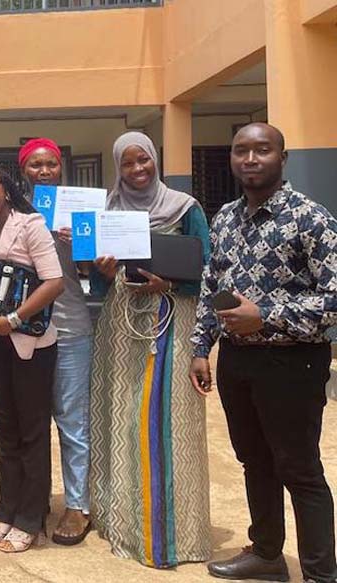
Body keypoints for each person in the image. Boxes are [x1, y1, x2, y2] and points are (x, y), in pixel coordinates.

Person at [193, 123, 337, 583]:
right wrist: (201, 345)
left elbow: (333, 299)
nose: (250, 159)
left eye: (262, 150)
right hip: (238, 361)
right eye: (241, 150)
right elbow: (211, 285)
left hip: (293, 362)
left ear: (282, 157)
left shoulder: (310, 218)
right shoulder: (226, 217)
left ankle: (319, 571)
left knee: (299, 468)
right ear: (232, 158)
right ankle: (268, 555)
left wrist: (267, 315)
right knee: (254, 460)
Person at [89, 131, 212, 568]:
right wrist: (100, 271)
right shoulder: (107, 211)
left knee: (167, 420)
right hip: (120, 326)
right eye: (128, 163)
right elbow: (98, 283)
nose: (138, 170)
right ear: (118, 167)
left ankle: (175, 534)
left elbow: (208, 270)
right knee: (121, 417)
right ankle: (122, 521)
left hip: (170, 322)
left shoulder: (184, 208)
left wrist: (172, 284)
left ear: (155, 160)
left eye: (144, 161)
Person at [0, 167, 64, 553]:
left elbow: (55, 282)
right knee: (6, 427)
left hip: (29, 343)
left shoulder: (31, 224)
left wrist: (16, 318)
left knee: (32, 431)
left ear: (5, 188)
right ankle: (8, 508)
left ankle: (30, 517)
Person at [17, 138, 94, 545]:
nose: (44, 171)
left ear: (60, 168)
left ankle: (78, 505)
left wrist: (78, 245)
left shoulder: (80, 210)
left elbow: (93, 269)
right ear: (24, 170)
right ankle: (35, 500)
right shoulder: (14, 214)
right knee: (31, 421)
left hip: (71, 327)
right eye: (35, 165)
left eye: (50, 164)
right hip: (27, 331)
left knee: (72, 421)